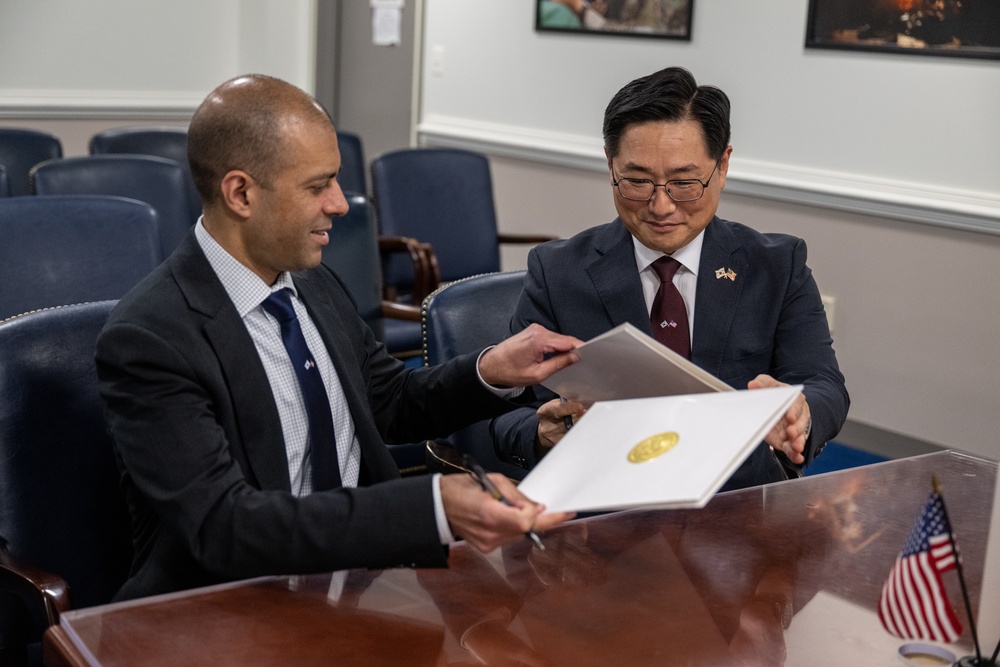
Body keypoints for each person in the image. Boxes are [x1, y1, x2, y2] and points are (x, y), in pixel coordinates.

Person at [95, 74, 580, 601]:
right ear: (241, 193)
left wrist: (491, 370)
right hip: (229, 603)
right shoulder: (150, 337)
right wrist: (433, 507)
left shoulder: (312, 281)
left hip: (361, 581)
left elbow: (390, 402)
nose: (341, 204)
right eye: (317, 185)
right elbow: (224, 527)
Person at [491, 66, 849, 489]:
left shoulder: (776, 265)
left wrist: (801, 413)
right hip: (606, 504)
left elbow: (824, 384)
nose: (660, 206)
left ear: (723, 166)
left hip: (737, 502)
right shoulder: (558, 271)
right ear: (610, 165)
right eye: (638, 181)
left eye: (684, 183)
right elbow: (506, 417)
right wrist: (542, 434)